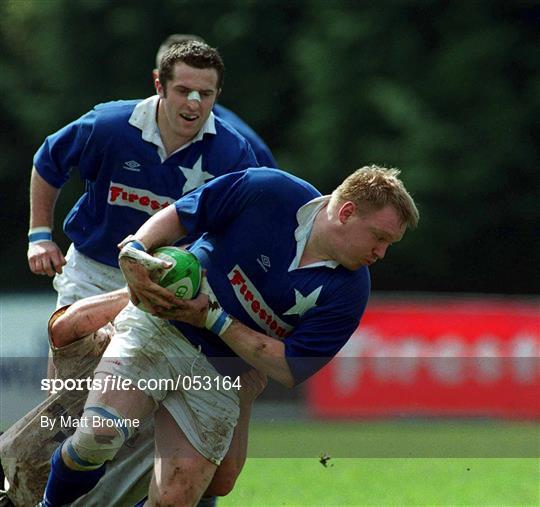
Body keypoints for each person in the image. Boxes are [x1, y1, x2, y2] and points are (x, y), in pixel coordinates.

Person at [38, 165, 419, 506]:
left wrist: (214, 319)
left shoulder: (351, 291)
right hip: (162, 328)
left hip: (225, 371)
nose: (381, 253)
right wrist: (137, 248)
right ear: (347, 213)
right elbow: (183, 213)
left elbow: (289, 368)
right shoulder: (269, 191)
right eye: (379, 237)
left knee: (178, 498)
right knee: (97, 437)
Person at [21, 39, 265, 507]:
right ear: (159, 85)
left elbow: (246, 231)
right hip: (94, 273)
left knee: (178, 425)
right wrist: (39, 234)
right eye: (184, 90)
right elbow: (48, 162)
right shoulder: (111, 125)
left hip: (171, 289)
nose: (194, 103)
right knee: (68, 411)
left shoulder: (234, 155)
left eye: (206, 94)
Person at [0, 289, 266, 506]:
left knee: (192, 493)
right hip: (27, 485)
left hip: (104, 496)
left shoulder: (210, 385)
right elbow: (65, 327)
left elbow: (220, 483)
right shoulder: (119, 347)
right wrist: (150, 292)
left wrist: (244, 396)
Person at [154, 34, 277, 168]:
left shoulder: (242, 145)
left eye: (204, 92)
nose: (192, 102)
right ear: (158, 82)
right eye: (182, 88)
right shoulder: (130, 125)